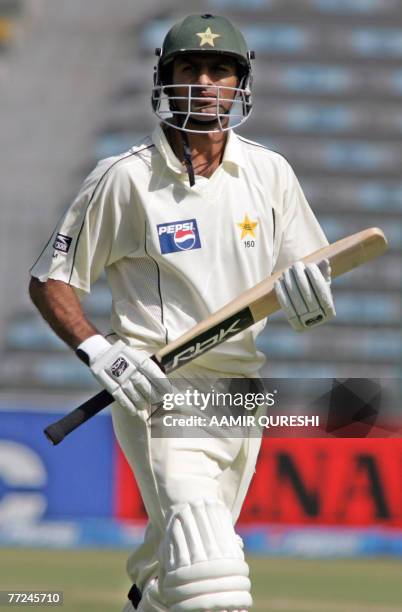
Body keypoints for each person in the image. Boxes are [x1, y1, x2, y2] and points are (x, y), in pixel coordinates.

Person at [29, 13, 335, 612]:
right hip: (159, 387)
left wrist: (314, 301)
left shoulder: (270, 173)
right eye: (188, 68)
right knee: (214, 576)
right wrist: (101, 351)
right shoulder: (125, 179)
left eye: (219, 70)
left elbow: (308, 282)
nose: (203, 82)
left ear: (240, 85)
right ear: (164, 80)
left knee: (171, 570)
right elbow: (51, 280)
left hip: (240, 394)